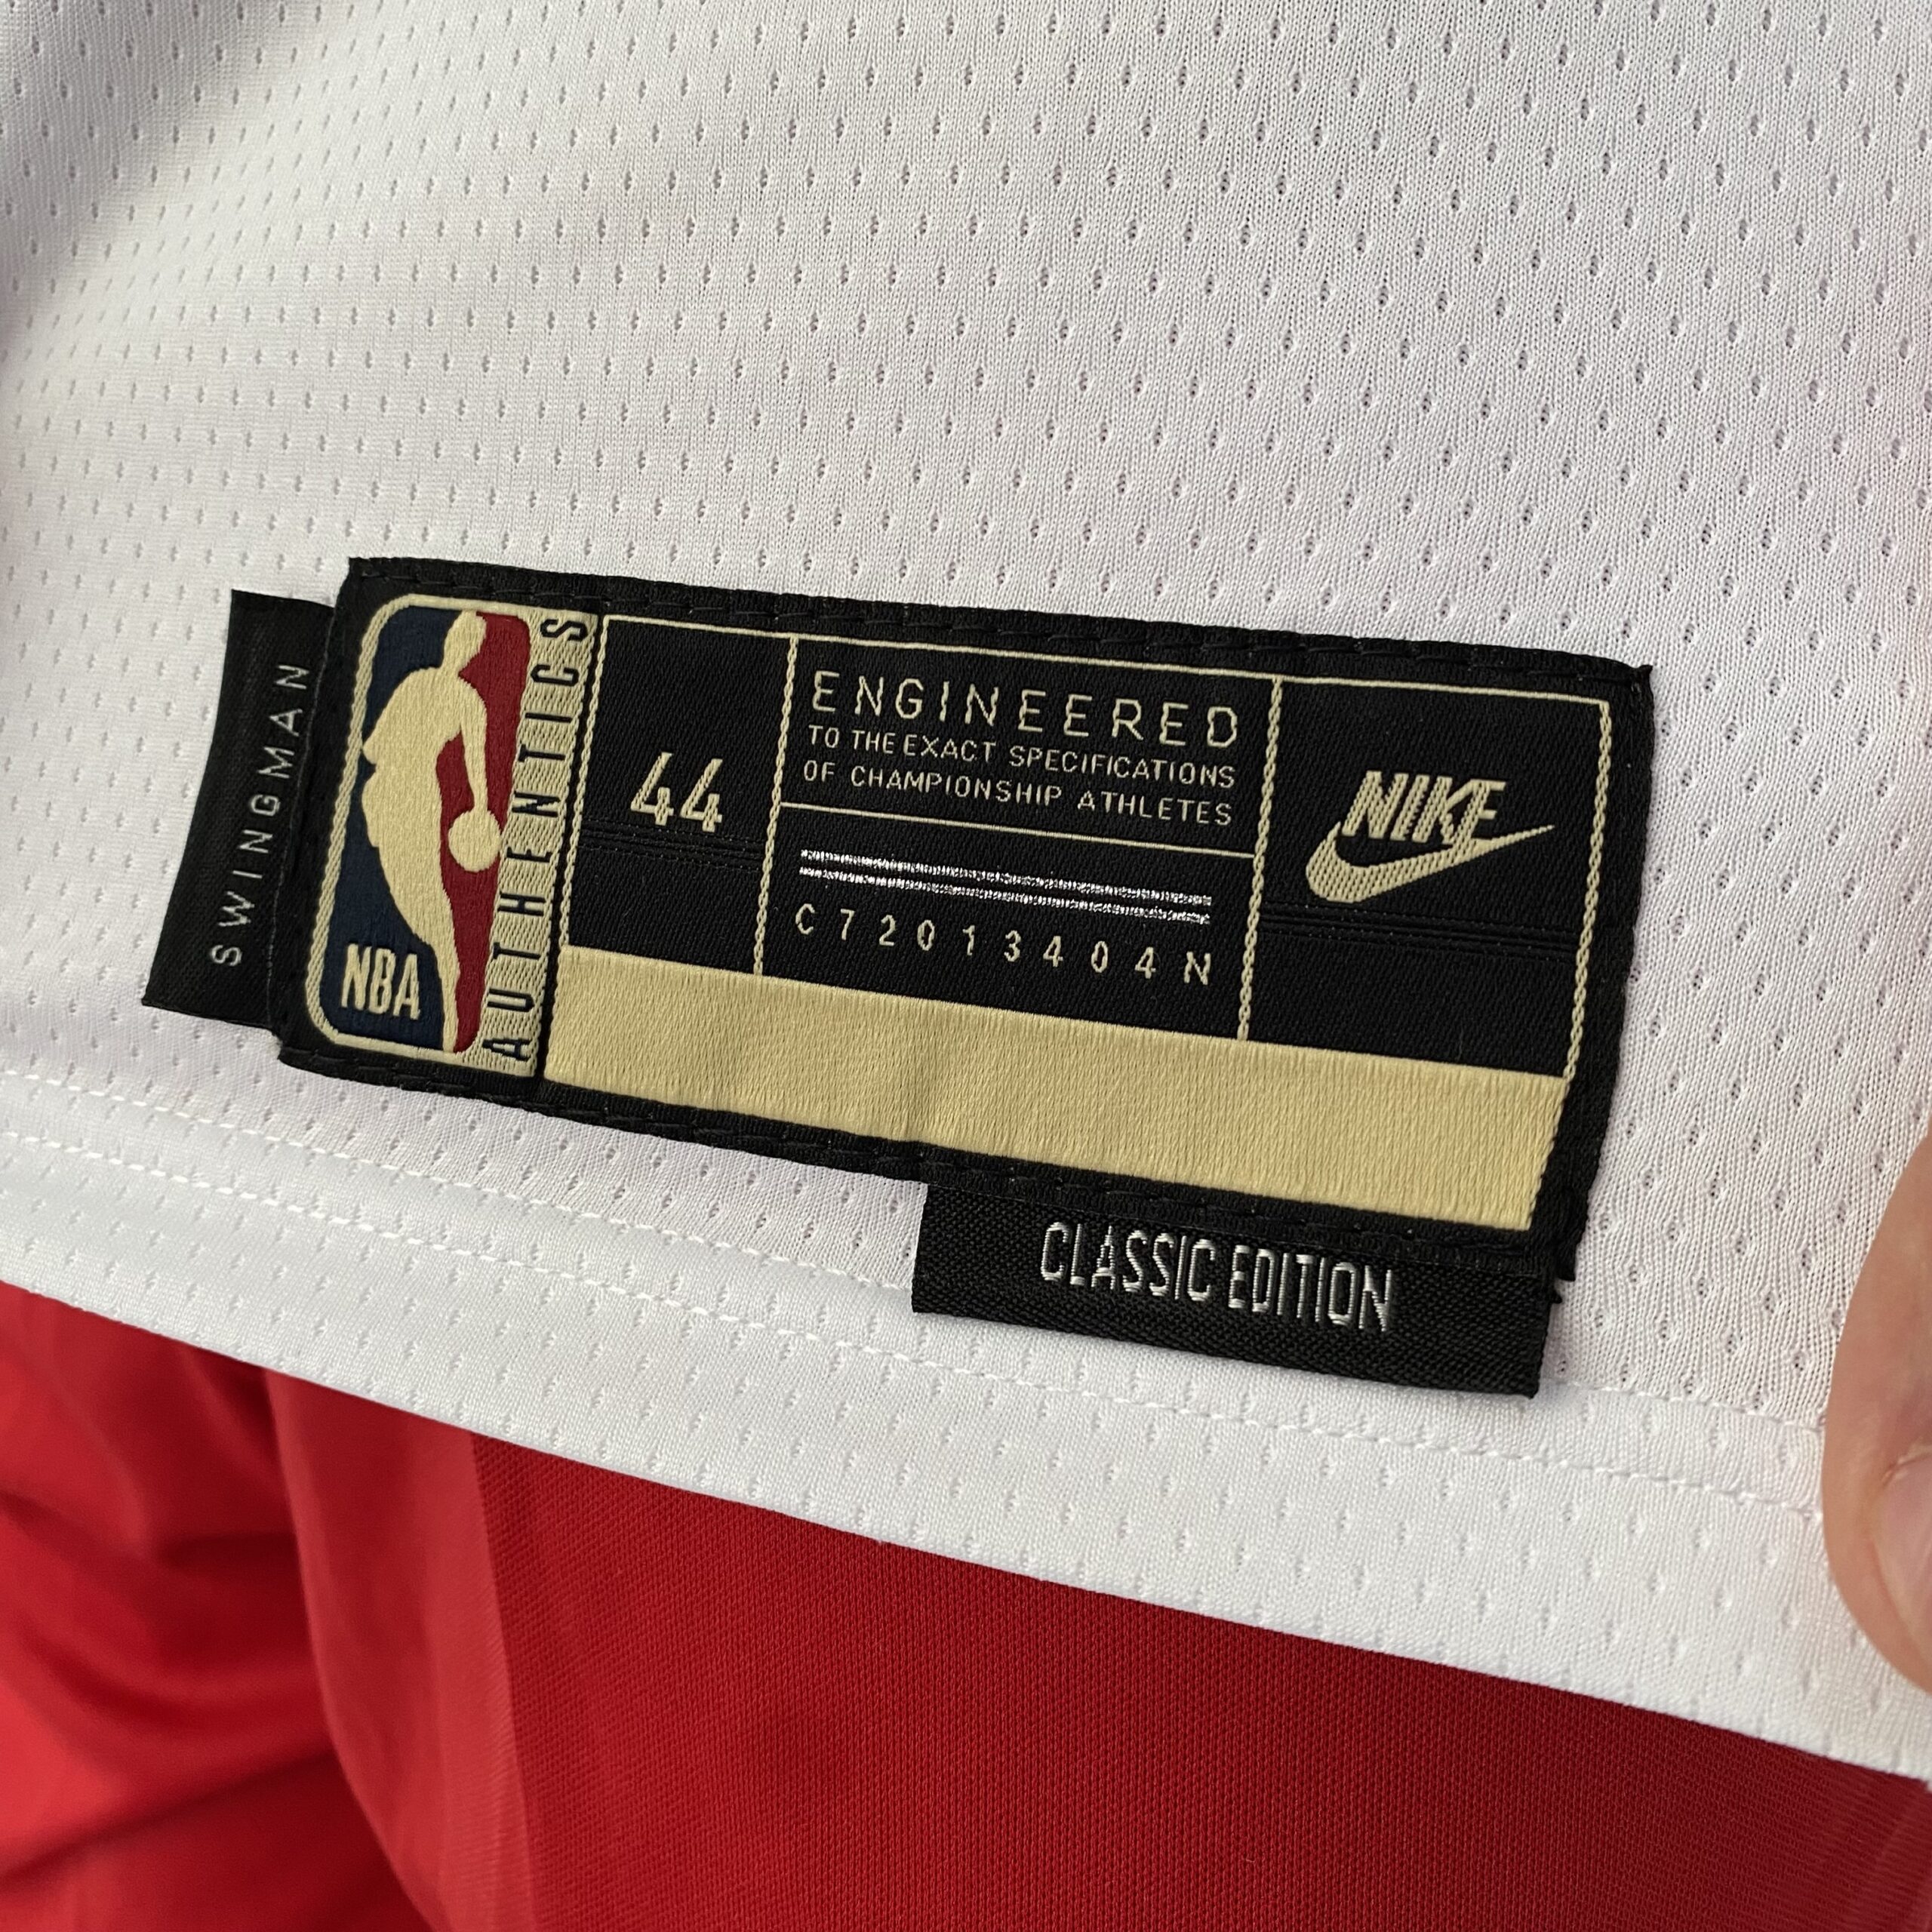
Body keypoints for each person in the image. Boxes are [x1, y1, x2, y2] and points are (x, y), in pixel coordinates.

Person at [358, 610, 501, 1054]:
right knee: (411, 896)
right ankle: (446, 987)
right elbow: (372, 749)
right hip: (400, 795)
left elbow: (475, 764)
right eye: (460, 635)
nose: (460, 644)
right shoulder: (431, 688)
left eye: (467, 640)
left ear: (470, 651)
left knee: (427, 899)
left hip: (410, 797)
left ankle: (450, 1002)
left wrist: (480, 809)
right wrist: (479, 806)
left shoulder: (454, 696)